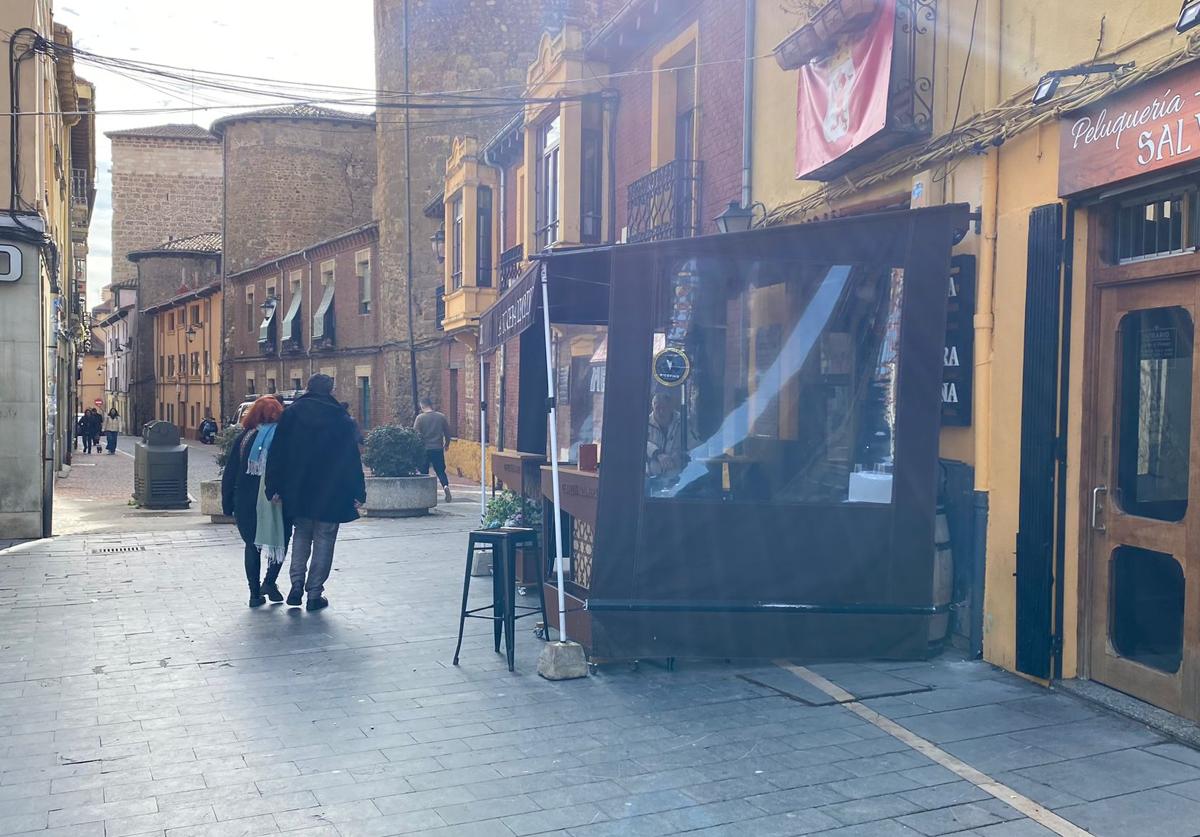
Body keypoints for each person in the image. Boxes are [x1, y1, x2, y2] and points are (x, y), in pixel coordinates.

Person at [265, 374, 365, 612]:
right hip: (332, 490)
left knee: (301, 534)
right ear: (330, 390)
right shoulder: (340, 417)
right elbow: (351, 458)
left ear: (308, 388)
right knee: (325, 539)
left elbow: (277, 452)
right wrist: (358, 491)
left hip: (298, 488)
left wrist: (273, 486)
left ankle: (296, 585)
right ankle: (314, 593)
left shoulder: (291, 414)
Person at [221, 396, 291, 607]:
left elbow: (230, 472)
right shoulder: (283, 437)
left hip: (245, 499)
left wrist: (227, 503)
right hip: (277, 499)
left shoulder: (244, 438)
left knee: (252, 545)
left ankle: (254, 594)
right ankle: (269, 582)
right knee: (280, 540)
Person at [414, 396, 452, 503]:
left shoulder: (420, 418)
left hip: (424, 449)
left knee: (424, 472)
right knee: (440, 471)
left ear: (422, 406)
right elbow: (447, 432)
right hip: (437, 448)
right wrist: (447, 444)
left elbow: (415, 434)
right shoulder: (441, 417)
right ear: (431, 405)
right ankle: (445, 486)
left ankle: (425, 495)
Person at [647, 390, 686, 479]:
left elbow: (694, 445)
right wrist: (657, 454)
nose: (661, 412)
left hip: (679, 479)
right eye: (658, 408)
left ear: (671, 407)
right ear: (653, 407)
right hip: (651, 478)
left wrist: (681, 453)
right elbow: (639, 443)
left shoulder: (683, 422)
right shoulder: (645, 423)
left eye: (664, 408)